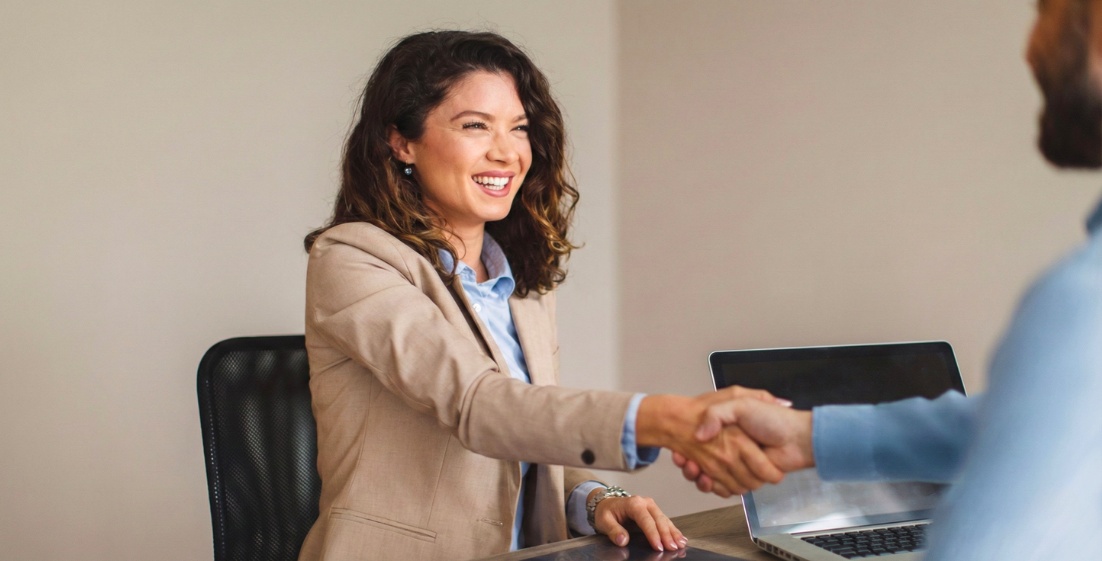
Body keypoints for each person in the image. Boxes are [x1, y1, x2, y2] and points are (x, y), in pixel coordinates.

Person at [298, 30, 784, 561]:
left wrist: (596, 497)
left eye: (520, 128)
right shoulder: (350, 258)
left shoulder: (519, 282)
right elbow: (480, 406)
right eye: (475, 126)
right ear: (402, 141)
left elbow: (529, 431)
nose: (506, 152)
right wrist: (664, 418)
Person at [676, 0, 1102, 558]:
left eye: (1046, 9)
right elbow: (1029, 430)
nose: (1030, 48)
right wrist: (809, 437)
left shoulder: (1081, 304)